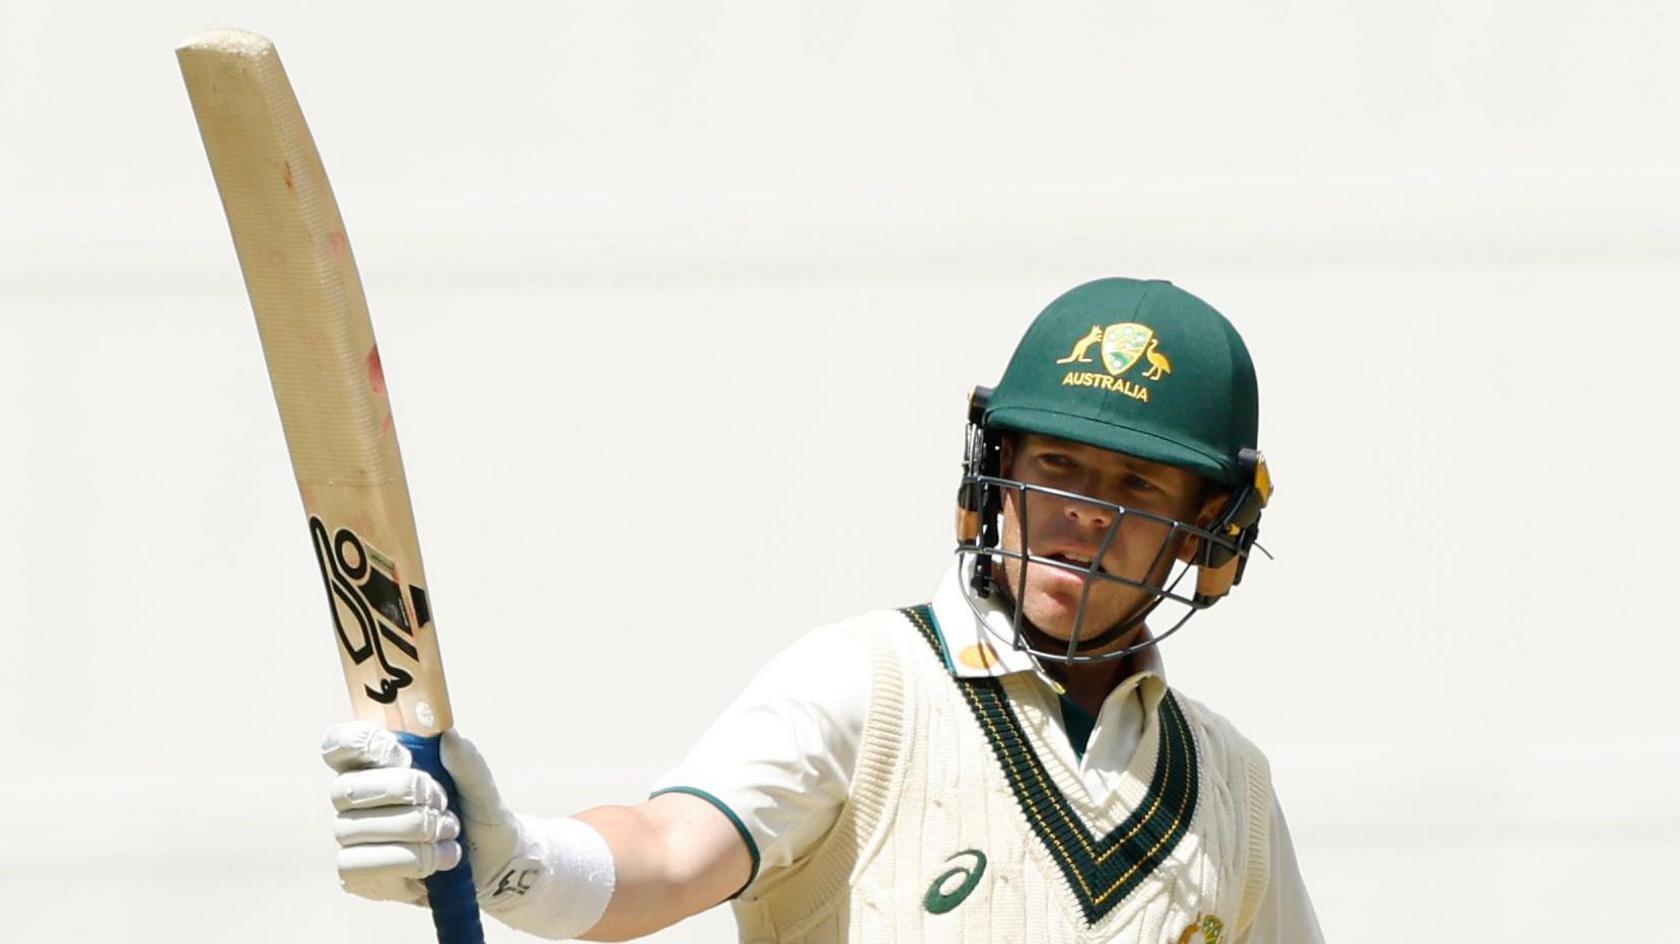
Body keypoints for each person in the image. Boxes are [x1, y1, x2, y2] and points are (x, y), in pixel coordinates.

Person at [322, 277, 1324, 942]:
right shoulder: (867, 683)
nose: (1078, 523)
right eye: (1057, 466)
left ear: (1207, 529)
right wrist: (514, 857)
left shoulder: (1231, 786)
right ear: (997, 469)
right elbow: (672, 852)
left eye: (1136, 491)